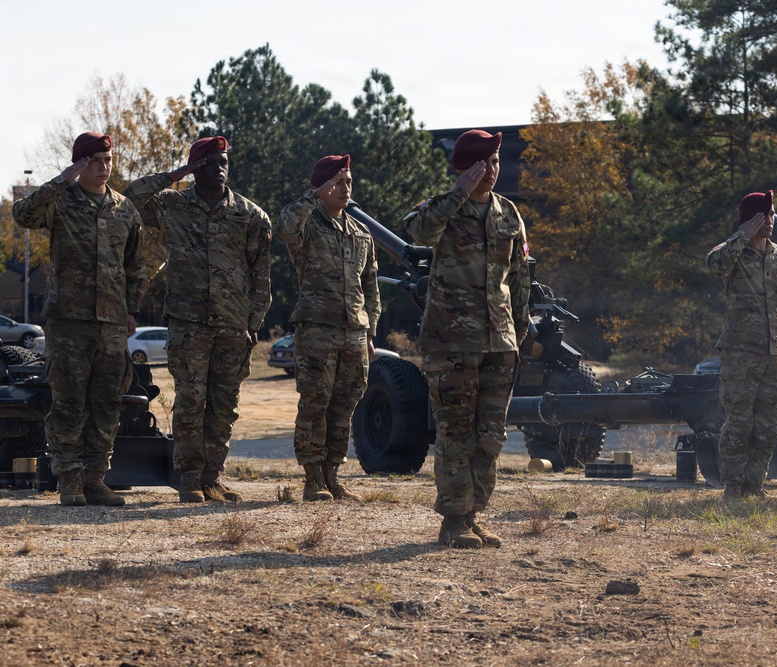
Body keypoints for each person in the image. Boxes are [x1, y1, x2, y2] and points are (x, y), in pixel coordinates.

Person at [125, 136, 272, 503]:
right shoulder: (172, 205)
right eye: (209, 162)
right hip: (189, 323)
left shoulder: (250, 215)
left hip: (233, 325)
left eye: (223, 161)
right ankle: (190, 477)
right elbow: (129, 200)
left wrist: (252, 324)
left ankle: (212, 477)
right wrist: (174, 175)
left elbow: (261, 276)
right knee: (191, 401)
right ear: (195, 167)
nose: (218, 168)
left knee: (225, 404)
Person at [403, 129, 530, 548]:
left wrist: (519, 332)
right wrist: (459, 191)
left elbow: (521, 279)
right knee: (456, 431)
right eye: (482, 164)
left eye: (494, 162)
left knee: (490, 435)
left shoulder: (509, 213)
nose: (490, 171)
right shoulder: (445, 209)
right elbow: (416, 231)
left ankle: (473, 514)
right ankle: (453, 520)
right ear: (464, 167)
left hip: (500, 341)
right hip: (452, 341)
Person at [13, 132, 145, 506]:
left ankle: (95, 479)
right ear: (80, 163)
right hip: (69, 322)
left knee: (107, 402)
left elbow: (136, 266)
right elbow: (23, 215)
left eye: (107, 160)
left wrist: (131, 309)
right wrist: (64, 177)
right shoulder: (61, 201)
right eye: (95, 161)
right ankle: (69, 479)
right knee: (69, 401)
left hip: (112, 323)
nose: (103, 168)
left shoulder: (124, 208)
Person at [275, 155, 380, 502]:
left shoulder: (361, 232)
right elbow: (284, 227)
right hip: (317, 331)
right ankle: (312, 479)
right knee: (315, 403)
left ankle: (333, 475)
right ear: (322, 186)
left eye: (349, 182)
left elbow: (371, 286)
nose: (345, 188)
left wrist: (370, 331)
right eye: (338, 182)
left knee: (345, 405)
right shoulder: (307, 225)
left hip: (354, 333)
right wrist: (313, 195)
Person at [706, 190, 777, 500]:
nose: (769, 220)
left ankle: (754, 484)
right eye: (763, 215)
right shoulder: (733, 250)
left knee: (768, 426)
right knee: (739, 423)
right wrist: (743, 233)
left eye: (771, 215)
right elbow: (714, 263)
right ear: (749, 218)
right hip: (740, 352)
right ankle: (733, 486)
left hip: (773, 352)